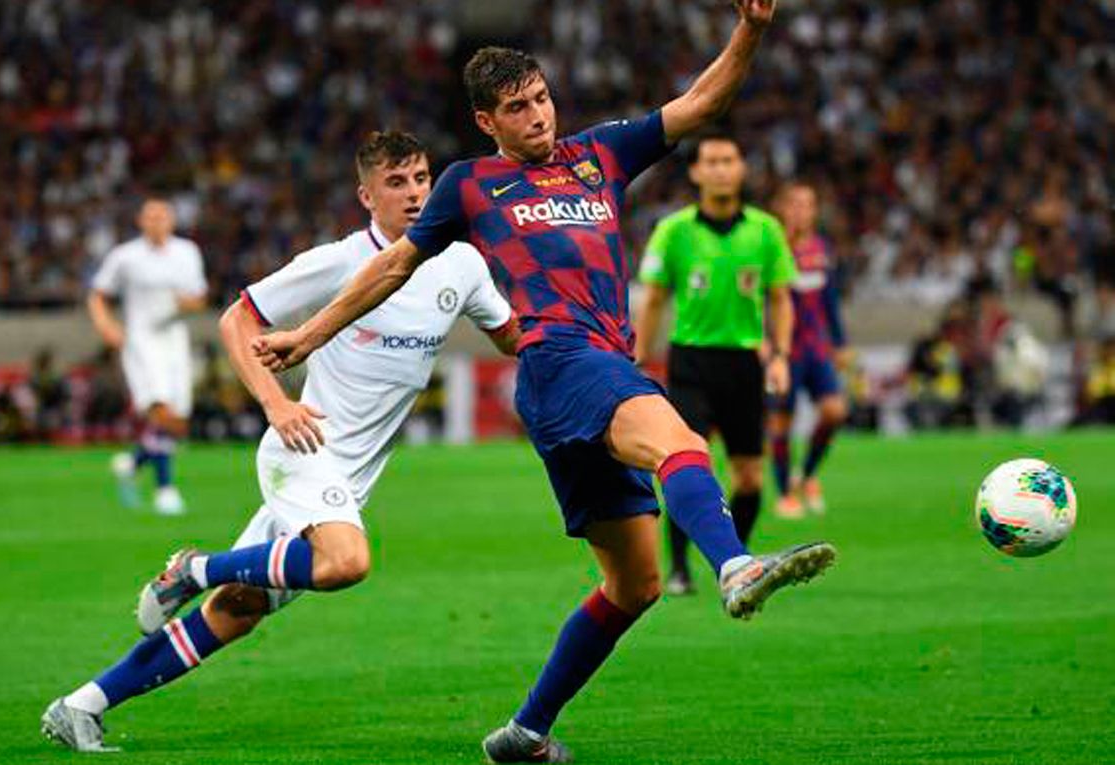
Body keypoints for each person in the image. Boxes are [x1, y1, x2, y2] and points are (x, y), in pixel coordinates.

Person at [252, 3, 836, 761]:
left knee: (635, 585)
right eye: (517, 107)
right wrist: (307, 334)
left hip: (593, 369)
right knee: (680, 442)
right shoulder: (469, 185)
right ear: (486, 120)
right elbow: (392, 266)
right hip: (560, 358)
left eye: (541, 97)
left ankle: (525, 730)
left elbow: (701, 104)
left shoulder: (601, 155)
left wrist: (751, 30)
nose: (537, 115)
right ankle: (735, 562)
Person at [41, 131, 519, 753]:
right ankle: (194, 567)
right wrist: (276, 403)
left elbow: (514, 336)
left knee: (236, 609)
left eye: (422, 178)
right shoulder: (341, 262)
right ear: (366, 195)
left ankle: (82, 705)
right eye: (396, 183)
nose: (414, 193)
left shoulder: (462, 264)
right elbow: (236, 318)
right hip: (301, 451)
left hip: (348, 481)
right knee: (347, 563)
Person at [634, 131, 798, 596]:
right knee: (690, 463)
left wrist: (781, 354)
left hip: (745, 363)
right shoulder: (675, 230)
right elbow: (655, 299)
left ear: (741, 168)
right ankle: (681, 567)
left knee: (750, 477)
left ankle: (733, 559)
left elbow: (781, 298)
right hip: (691, 361)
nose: (722, 168)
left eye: (730, 159)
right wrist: (640, 358)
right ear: (696, 172)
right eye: (713, 161)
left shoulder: (766, 230)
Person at [87, 198, 208, 514]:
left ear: (171, 220)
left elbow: (199, 296)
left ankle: (132, 462)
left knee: (178, 422)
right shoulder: (125, 256)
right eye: (150, 217)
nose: (156, 222)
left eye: (162, 216)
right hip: (142, 340)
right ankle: (165, 490)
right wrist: (106, 325)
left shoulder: (187, 252)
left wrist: (189, 303)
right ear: (141, 221)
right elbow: (98, 294)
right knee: (161, 411)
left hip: (175, 339)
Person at [767, 182, 850, 519]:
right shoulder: (771, 248)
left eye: (809, 204)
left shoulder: (820, 247)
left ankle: (808, 473)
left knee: (834, 412)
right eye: (796, 204)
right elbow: (760, 298)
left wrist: (840, 343)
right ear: (783, 209)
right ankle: (786, 493)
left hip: (815, 350)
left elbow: (829, 301)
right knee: (781, 422)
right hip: (782, 351)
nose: (802, 211)